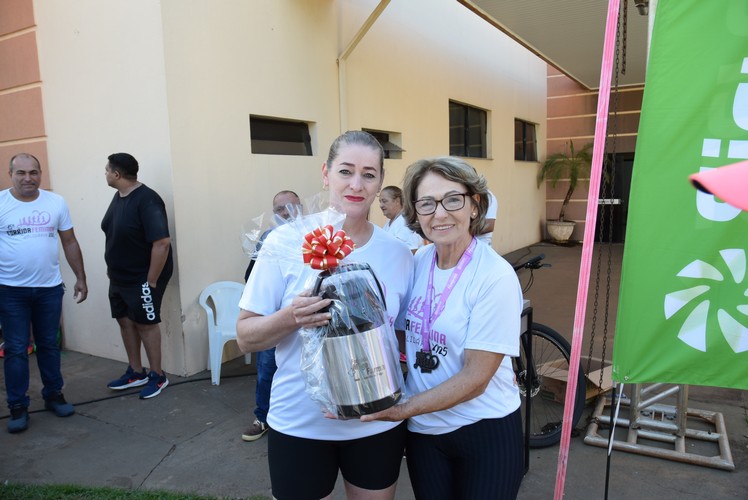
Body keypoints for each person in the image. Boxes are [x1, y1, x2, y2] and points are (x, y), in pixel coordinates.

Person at [236, 131, 413, 500]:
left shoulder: (397, 253)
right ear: (325, 173)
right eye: (346, 171)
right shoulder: (285, 242)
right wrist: (292, 317)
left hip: (375, 425)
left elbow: (401, 339)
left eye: (368, 174)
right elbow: (246, 336)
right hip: (299, 424)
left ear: (380, 181)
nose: (356, 184)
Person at [362, 156, 525, 499]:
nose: (439, 213)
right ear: (416, 215)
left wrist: (402, 409)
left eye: (453, 199)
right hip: (425, 433)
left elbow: (476, 379)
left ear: (475, 205)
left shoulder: (494, 277)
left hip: (484, 428)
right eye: (427, 203)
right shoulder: (417, 263)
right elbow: (400, 332)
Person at [0, 153, 88, 433]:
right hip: (10, 291)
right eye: (21, 173)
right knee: (15, 350)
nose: (28, 178)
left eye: (34, 172)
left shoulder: (55, 202)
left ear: (41, 173)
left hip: (49, 289)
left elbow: (70, 242)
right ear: (10, 174)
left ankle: (54, 395)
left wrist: (81, 277)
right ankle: (17, 407)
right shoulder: (1, 203)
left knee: (49, 345)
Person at [102, 153, 173, 400]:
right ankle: (136, 371)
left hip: (141, 278)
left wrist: (151, 281)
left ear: (117, 174)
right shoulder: (119, 196)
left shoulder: (148, 200)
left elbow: (162, 243)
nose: (106, 174)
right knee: (124, 319)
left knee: (145, 323)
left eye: (107, 170)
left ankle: (157, 375)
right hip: (119, 277)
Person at [242, 190, 302, 442]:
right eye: (280, 209)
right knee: (267, 370)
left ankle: (300, 421)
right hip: (273, 320)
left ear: (302, 208)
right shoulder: (269, 238)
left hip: (305, 322)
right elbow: (252, 278)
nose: (287, 212)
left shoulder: (316, 235)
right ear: (273, 213)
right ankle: (263, 418)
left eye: (292, 206)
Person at [379, 185, 424, 253]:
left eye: (384, 201)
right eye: (380, 201)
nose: (381, 205)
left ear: (397, 201)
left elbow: (412, 251)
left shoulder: (405, 222)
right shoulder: (390, 221)